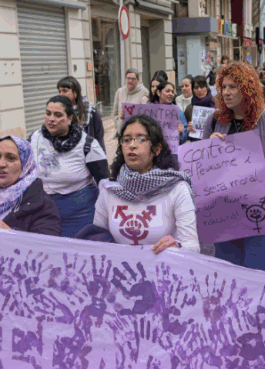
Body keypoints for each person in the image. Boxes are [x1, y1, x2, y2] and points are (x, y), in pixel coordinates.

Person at [201, 62, 265, 271]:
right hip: (225, 206)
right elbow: (203, 170)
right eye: (223, 87)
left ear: (247, 89)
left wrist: (264, 190)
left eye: (233, 87)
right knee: (228, 270)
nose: (226, 92)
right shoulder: (213, 121)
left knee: (259, 270)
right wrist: (209, 149)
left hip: (262, 206)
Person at [89, 115, 199, 253]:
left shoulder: (177, 189)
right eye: (126, 140)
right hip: (119, 265)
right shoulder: (108, 188)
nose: (132, 145)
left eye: (141, 139)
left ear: (157, 149)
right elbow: (97, 238)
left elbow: (192, 246)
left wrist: (177, 246)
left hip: (163, 266)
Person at [32, 95, 109, 238]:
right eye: (48, 113)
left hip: (80, 215)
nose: (51, 119)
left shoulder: (88, 145)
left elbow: (105, 183)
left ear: (70, 118)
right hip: (44, 213)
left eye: (58, 115)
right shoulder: (34, 139)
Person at [0, 135, 61, 236]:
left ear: (26, 164)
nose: (0, 164)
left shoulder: (43, 205)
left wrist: (9, 233)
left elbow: (47, 244)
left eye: (11, 158)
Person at [58, 76, 105, 152]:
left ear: (75, 92)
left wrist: (101, 155)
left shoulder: (90, 111)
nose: (61, 94)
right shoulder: (59, 112)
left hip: (87, 153)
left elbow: (99, 137)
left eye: (65, 91)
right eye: (59, 91)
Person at [148, 78, 190, 144]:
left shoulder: (177, 111)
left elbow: (184, 135)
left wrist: (181, 132)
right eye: (167, 91)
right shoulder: (148, 108)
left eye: (172, 92)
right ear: (158, 93)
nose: (171, 94)